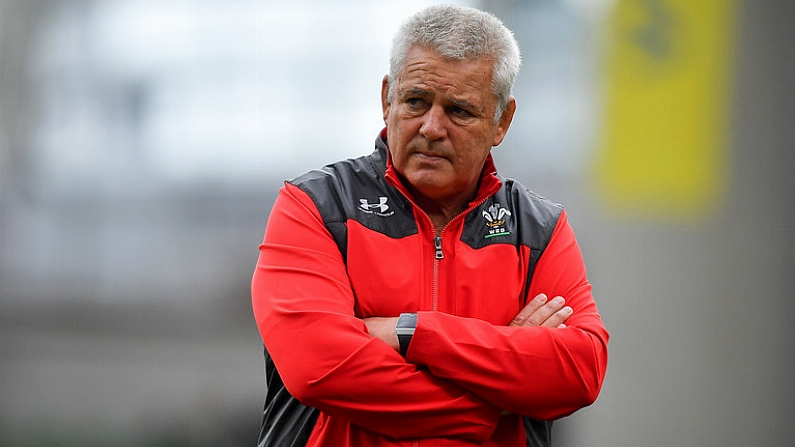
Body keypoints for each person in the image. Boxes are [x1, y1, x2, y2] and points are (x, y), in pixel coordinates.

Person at [251, 5, 609, 447]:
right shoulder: (315, 207)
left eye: (459, 111)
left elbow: (580, 370)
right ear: (387, 99)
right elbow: (319, 368)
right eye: (416, 101)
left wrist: (411, 333)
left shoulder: (538, 230)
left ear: (502, 121)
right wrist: (491, 399)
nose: (432, 128)